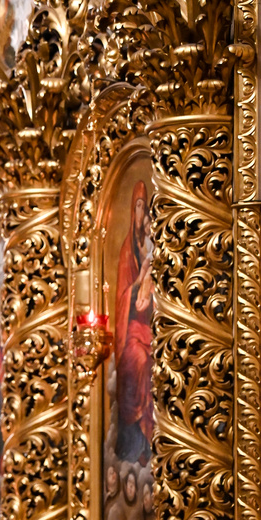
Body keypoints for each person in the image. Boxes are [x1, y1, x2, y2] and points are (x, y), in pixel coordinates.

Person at [114, 179, 154, 466]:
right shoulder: (128, 250)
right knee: (137, 358)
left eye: (145, 207)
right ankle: (135, 439)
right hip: (130, 329)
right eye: (137, 207)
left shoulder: (152, 245)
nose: (142, 215)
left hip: (149, 325)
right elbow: (122, 297)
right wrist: (139, 281)